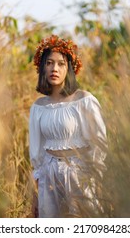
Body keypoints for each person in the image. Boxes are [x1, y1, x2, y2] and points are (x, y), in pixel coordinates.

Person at [29, 35, 107, 218]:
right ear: (43, 67)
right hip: (49, 176)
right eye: (49, 63)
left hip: (79, 174)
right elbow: (37, 154)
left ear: (69, 68)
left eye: (61, 64)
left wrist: (93, 177)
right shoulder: (38, 107)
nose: (54, 68)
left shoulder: (84, 101)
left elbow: (99, 143)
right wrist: (35, 194)